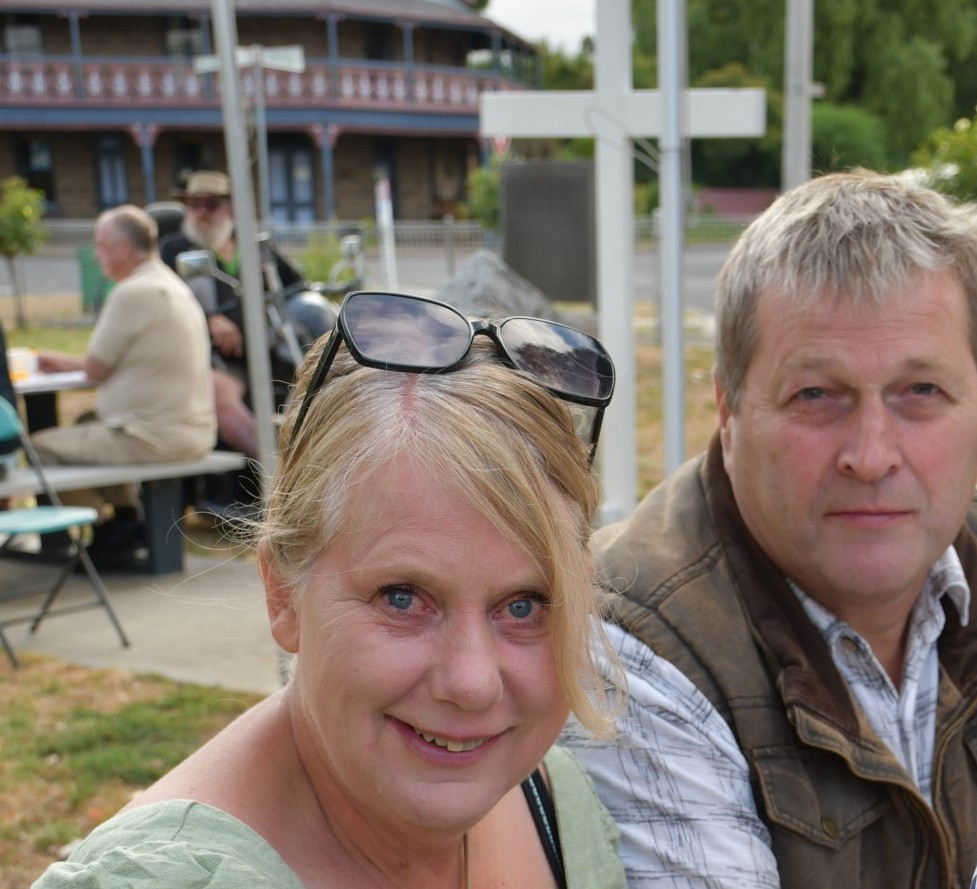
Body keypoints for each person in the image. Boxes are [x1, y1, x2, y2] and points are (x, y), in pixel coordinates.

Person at [560, 169, 977, 888]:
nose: (871, 455)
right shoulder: (633, 644)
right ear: (729, 413)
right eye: (816, 394)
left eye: (920, 392)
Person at [33, 291, 625, 888]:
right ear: (282, 593)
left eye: (524, 606)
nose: (472, 683)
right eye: (402, 598)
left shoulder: (555, 801)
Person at [32, 204, 215, 571]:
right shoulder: (170, 285)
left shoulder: (133, 291)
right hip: (192, 430)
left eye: (100, 246)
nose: (97, 256)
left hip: (151, 435)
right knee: (87, 419)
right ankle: (127, 518)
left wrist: (46, 360)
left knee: (38, 447)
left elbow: (96, 368)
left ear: (121, 248)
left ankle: (106, 528)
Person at [160, 170, 304, 460]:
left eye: (211, 204)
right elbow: (163, 300)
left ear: (230, 208)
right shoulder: (175, 249)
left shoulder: (255, 247)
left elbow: (296, 286)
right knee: (219, 392)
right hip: (215, 359)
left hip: (269, 352)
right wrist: (207, 318)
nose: (202, 213)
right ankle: (274, 475)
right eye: (194, 205)